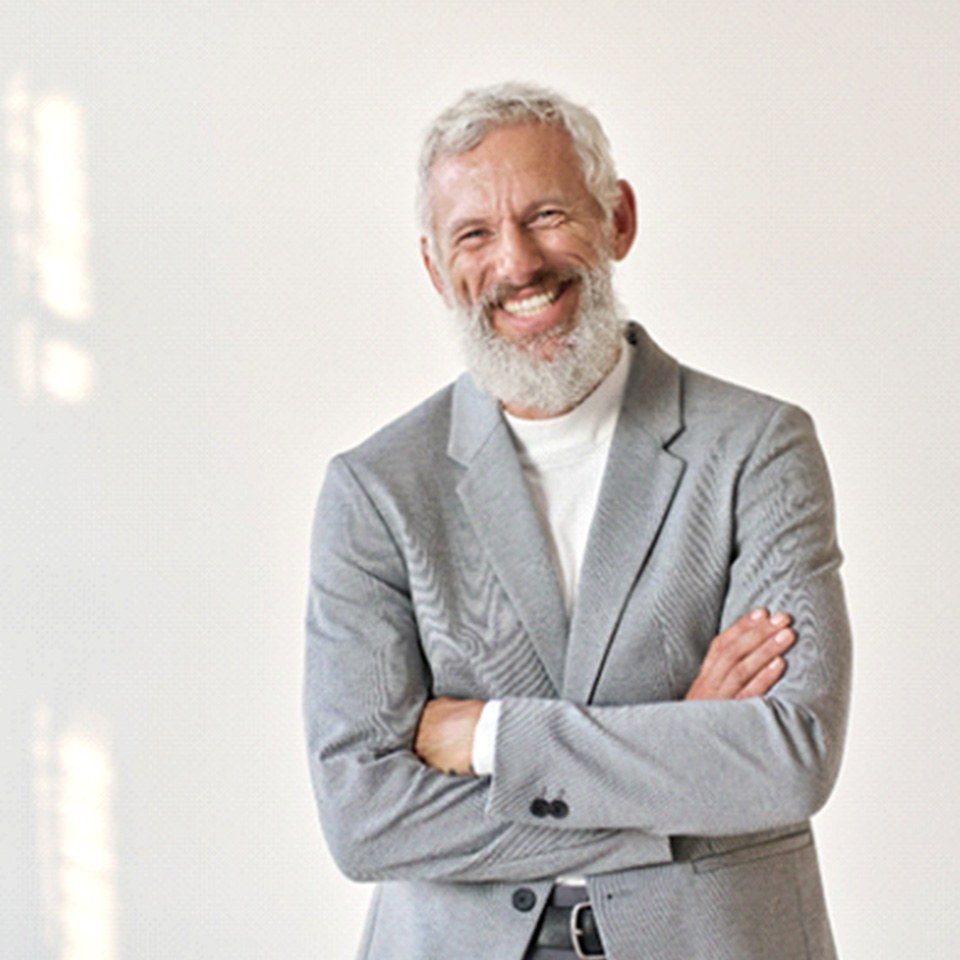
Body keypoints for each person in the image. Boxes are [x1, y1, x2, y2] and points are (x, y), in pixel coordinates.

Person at [304, 82, 851, 960]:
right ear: (437, 268)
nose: (517, 264)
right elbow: (365, 820)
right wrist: (681, 765)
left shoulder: (759, 448)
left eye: (548, 214)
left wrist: (486, 736)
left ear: (618, 218)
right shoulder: (376, 490)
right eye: (474, 235)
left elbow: (789, 756)